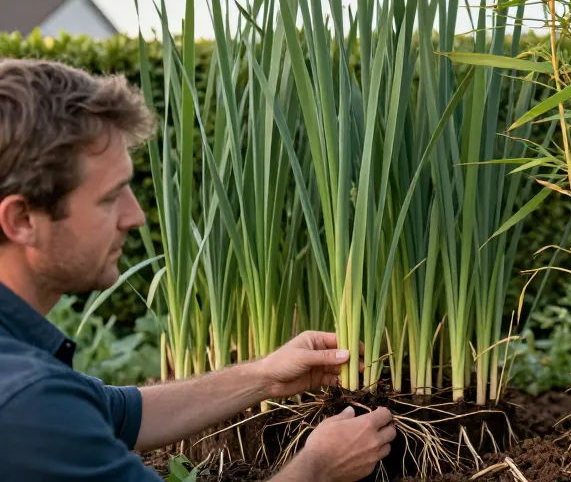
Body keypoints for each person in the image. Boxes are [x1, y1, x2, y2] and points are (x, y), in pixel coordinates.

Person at [0, 59, 396, 481]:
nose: (135, 216)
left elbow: (116, 412)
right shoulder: (26, 401)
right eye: (109, 197)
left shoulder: (25, 378)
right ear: (22, 219)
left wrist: (264, 377)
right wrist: (318, 467)